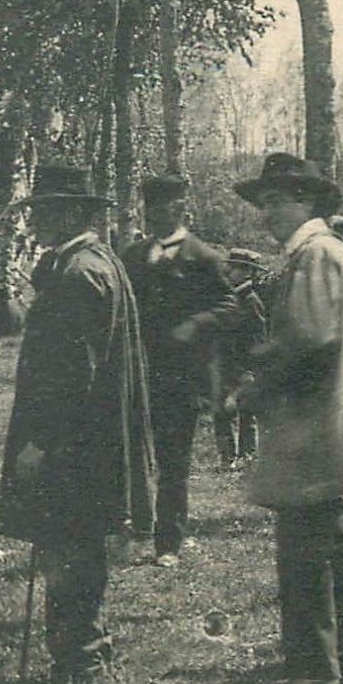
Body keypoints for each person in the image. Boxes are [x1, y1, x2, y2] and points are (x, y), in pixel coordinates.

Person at [0, 164, 157, 684]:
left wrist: (39, 442)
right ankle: (87, 648)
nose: (35, 223)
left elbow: (70, 376)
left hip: (74, 444)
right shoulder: (92, 262)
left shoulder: (78, 275)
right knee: (79, 546)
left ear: (69, 214)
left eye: (43, 212)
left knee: (69, 547)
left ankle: (78, 661)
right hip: (92, 439)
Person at [229, 152, 343, 684]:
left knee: (304, 552)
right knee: (323, 548)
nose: (264, 215)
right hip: (329, 420)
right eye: (262, 204)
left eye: (274, 203)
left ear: (305, 202)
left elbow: (310, 340)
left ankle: (315, 672)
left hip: (313, 425)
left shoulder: (314, 256)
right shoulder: (332, 251)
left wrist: (254, 383)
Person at [121, 174, 236, 567]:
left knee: (173, 462)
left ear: (182, 209)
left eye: (165, 209)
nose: (156, 217)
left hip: (181, 378)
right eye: (150, 210)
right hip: (137, 374)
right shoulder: (133, 257)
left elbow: (229, 305)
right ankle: (134, 526)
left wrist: (195, 325)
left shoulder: (203, 257)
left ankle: (168, 541)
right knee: (133, 453)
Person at [214, 248, 269, 468]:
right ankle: (227, 457)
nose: (228, 272)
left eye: (234, 268)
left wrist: (251, 369)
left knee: (246, 412)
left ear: (246, 272)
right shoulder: (231, 297)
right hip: (226, 363)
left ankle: (247, 456)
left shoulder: (251, 301)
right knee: (223, 411)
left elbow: (257, 338)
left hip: (242, 365)